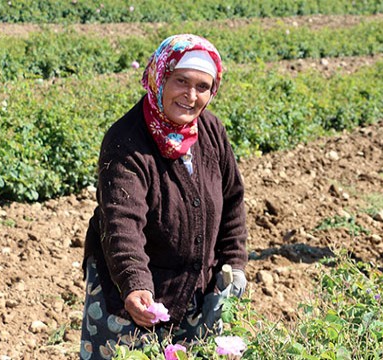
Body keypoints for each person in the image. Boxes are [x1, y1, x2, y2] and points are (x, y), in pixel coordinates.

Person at [80, 34, 248, 359]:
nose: (190, 95)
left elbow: (232, 204)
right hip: (132, 298)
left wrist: (234, 264)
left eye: (202, 87)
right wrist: (134, 284)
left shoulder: (211, 131)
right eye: (181, 81)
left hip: (197, 290)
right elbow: (121, 224)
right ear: (160, 77)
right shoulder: (126, 141)